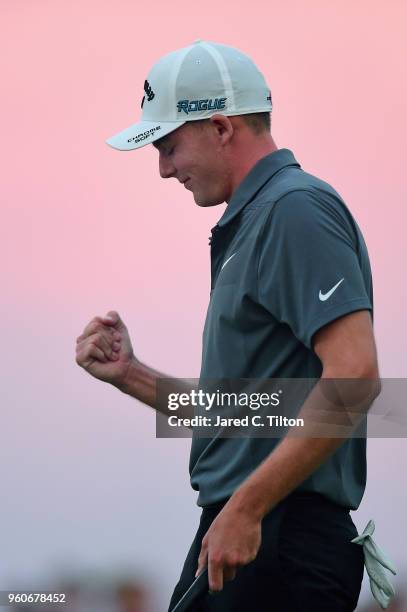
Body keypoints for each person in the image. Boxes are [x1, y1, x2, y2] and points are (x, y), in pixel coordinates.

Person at [75, 41, 380, 611]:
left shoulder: (294, 209)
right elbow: (248, 412)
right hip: (256, 533)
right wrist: (131, 375)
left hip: (275, 538)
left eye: (168, 146)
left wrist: (247, 507)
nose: (164, 169)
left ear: (219, 127)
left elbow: (356, 377)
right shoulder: (259, 219)